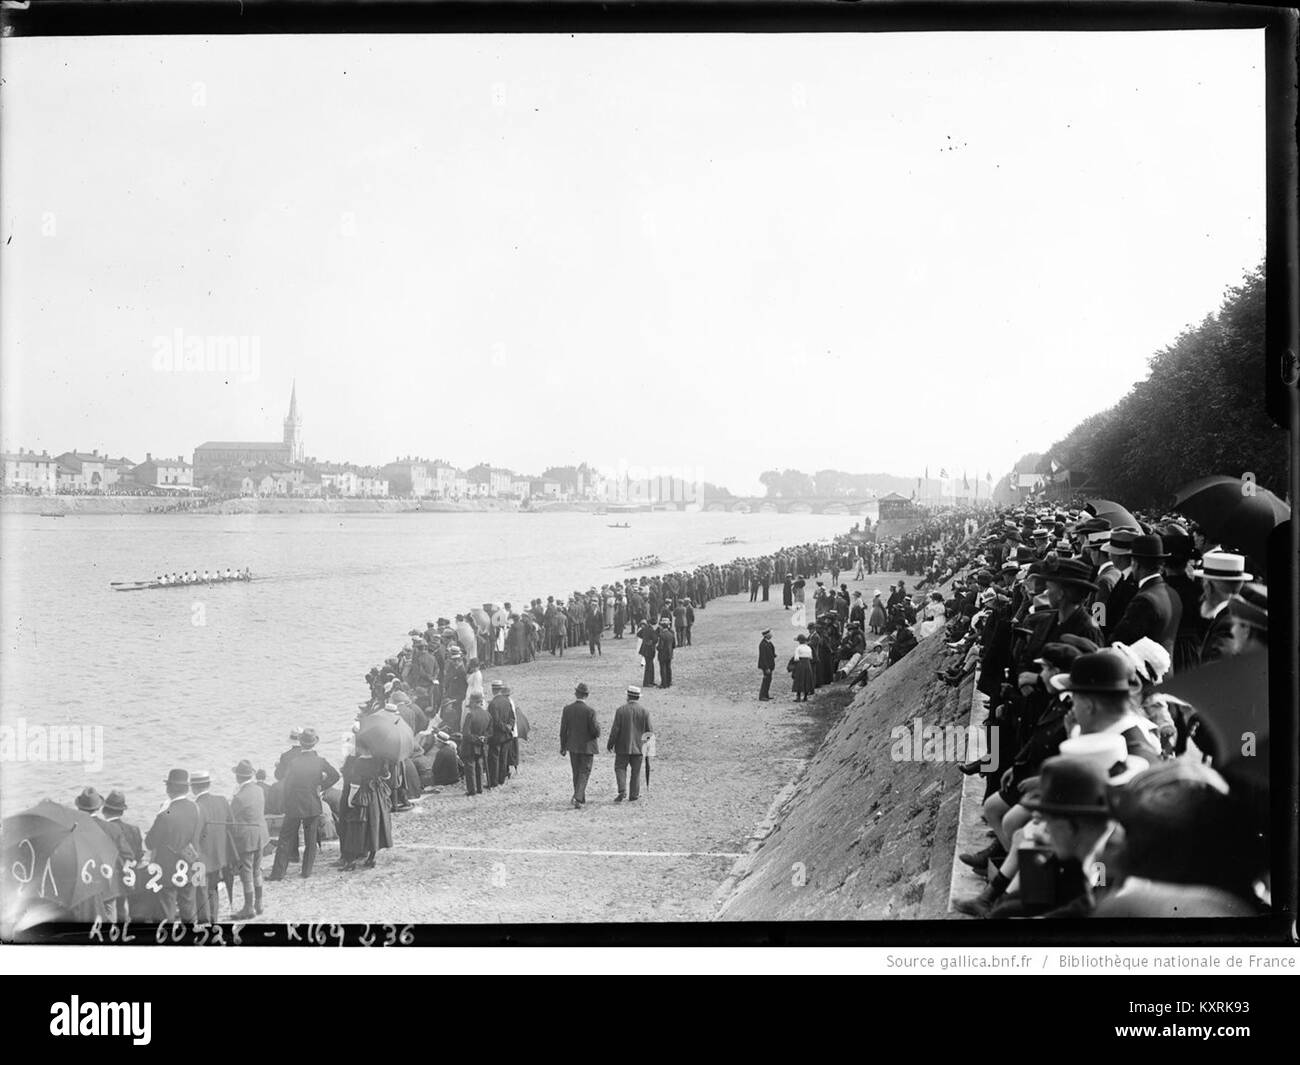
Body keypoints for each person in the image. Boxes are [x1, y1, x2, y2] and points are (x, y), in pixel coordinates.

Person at [268, 728, 339, 882]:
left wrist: (286, 802)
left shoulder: (294, 762)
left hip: (294, 803)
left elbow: (287, 785)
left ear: (300, 743)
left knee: (285, 839)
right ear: (315, 743)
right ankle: (306, 871)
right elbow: (335, 775)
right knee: (310, 839)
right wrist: (321, 785)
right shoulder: (320, 761)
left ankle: (278, 873)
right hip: (312, 802)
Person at [145, 769, 205, 922]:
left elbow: (149, 843)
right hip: (191, 864)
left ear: (169, 789)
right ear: (187, 788)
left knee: (166, 911)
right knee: (189, 909)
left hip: (167, 870)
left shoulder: (165, 815)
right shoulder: (197, 808)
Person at [1109, 534, 1181, 655]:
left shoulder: (1144, 599)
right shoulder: (1172, 593)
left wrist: (1097, 625)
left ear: (1135, 564)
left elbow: (1121, 640)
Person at [337, 738, 393, 871]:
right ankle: (371, 858)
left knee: (357, 828)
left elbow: (355, 783)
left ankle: (350, 862)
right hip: (377, 796)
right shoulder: (379, 759)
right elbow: (386, 776)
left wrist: (350, 799)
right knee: (375, 825)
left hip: (363, 795)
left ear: (361, 748)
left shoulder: (358, 762)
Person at [191, 769, 234, 923]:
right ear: (209, 784)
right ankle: (213, 920)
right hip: (219, 856)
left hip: (200, 860)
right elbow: (231, 825)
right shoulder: (222, 800)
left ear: (193, 788)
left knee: (199, 891)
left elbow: (193, 838)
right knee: (212, 890)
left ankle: (204, 923)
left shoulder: (195, 807)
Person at [93, 789, 142, 923]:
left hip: (111, 877)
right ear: (122, 811)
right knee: (123, 908)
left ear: (104, 810)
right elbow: (138, 854)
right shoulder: (134, 829)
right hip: (130, 876)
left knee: (113, 908)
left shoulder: (103, 828)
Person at [228, 760, 268, 920]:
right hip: (261, 835)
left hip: (247, 839)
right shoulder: (259, 789)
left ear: (238, 777)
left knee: (246, 873)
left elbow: (230, 818)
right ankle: (259, 904)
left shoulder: (239, 797)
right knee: (257, 871)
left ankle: (248, 907)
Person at [559, 682, 601, 809]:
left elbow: (563, 730)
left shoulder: (567, 709)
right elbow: (596, 731)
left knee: (576, 772)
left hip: (572, 746)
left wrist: (563, 746)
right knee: (584, 772)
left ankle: (579, 797)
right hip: (587, 747)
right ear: (586, 695)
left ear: (576, 693)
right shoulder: (590, 711)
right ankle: (578, 797)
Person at [608, 685, 652, 802]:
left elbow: (615, 730)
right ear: (638, 697)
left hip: (623, 746)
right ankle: (634, 795)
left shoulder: (621, 710)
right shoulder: (644, 712)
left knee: (620, 768)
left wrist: (610, 743)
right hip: (639, 747)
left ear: (628, 696)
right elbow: (649, 732)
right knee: (636, 772)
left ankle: (622, 789)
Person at [486, 681, 516, 788]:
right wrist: (509, 727)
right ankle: (501, 779)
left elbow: (495, 721)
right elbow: (512, 717)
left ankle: (494, 781)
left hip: (496, 735)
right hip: (507, 736)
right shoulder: (507, 701)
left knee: (494, 759)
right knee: (503, 758)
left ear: (493, 690)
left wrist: (504, 728)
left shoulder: (493, 704)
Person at [461, 693, 491, 796]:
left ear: (473, 702)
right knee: (479, 766)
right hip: (482, 746)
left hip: (470, 746)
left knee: (470, 767)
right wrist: (483, 738)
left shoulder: (470, 715)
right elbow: (490, 732)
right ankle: (480, 788)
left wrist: (476, 739)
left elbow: (466, 733)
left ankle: (472, 790)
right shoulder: (487, 714)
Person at [790, 634, 815, 701]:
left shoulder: (798, 648)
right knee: (807, 679)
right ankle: (805, 697)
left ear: (799, 641)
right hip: (807, 663)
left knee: (799, 679)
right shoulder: (808, 648)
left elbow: (796, 658)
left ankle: (798, 697)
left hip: (800, 664)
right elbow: (811, 657)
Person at [637, 620, 658, 687]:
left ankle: (650, 681)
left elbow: (638, 634)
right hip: (650, 650)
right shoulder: (651, 630)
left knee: (649, 666)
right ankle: (647, 682)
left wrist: (644, 638)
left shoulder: (645, 629)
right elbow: (655, 639)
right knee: (649, 666)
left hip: (645, 650)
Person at [656, 619, 675, 689]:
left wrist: (657, 648)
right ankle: (669, 682)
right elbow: (674, 645)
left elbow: (660, 646)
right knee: (668, 668)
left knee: (663, 669)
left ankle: (664, 683)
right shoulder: (671, 634)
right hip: (669, 654)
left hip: (662, 654)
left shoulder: (662, 635)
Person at [758, 628, 776, 701]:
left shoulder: (768, 643)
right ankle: (762, 696)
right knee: (766, 680)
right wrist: (766, 668)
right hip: (766, 666)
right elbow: (763, 657)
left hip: (770, 665)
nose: (771, 634)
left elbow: (771, 651)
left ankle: (766, 694)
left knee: (768, 680)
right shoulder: (763, 644)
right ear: (766, 635)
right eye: (770, 633)